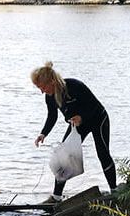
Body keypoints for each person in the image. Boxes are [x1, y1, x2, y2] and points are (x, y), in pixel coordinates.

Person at [31, 62, 117, 203]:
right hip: (76, 125)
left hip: (98, 119)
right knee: (63, 157)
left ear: (52, 81)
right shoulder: (49, 97)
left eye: (43, 87)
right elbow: (52, 116)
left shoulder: (74, 86)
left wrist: (81, 117)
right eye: (39, 88)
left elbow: (93, 106)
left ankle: (114, 191)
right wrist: (43, 133)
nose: (42, 91)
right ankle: (56, 197)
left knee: (103, 153)